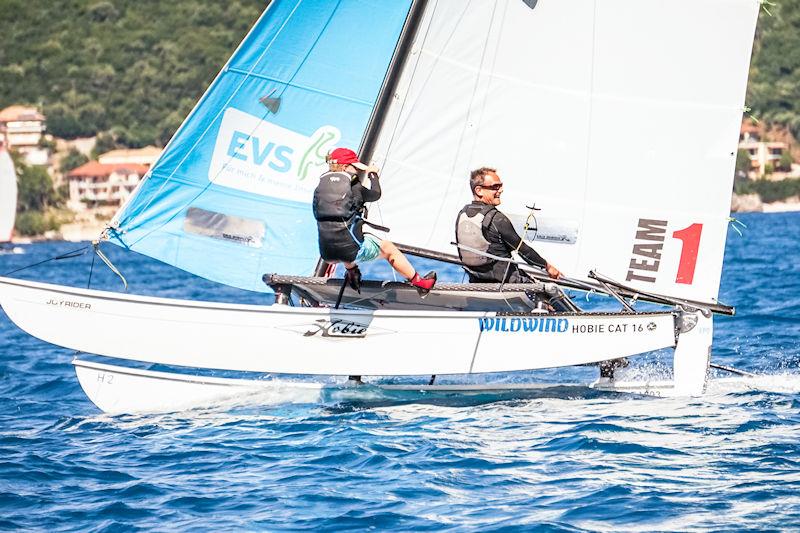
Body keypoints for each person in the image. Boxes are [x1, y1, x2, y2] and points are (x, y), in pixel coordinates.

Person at [312, 147, 436, 295]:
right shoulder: (354, 187)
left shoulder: (320, 188)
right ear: (345, 167)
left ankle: (352, 271)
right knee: (389, 249)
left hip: (325, 252)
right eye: (355, 167)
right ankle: (421, 283)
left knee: (344, 235)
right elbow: (375, 194)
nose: (357, 171)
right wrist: (372, 174)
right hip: (350, 250)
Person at [455, 167, 562, 283]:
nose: (500, 190)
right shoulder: (497, 219)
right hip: (505, 284)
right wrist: (547, 267)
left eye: (501, 186)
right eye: (495, 187)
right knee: (551, 295)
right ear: (479, 190)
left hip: (476, 281)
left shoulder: (462, 215)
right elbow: (524, 251)